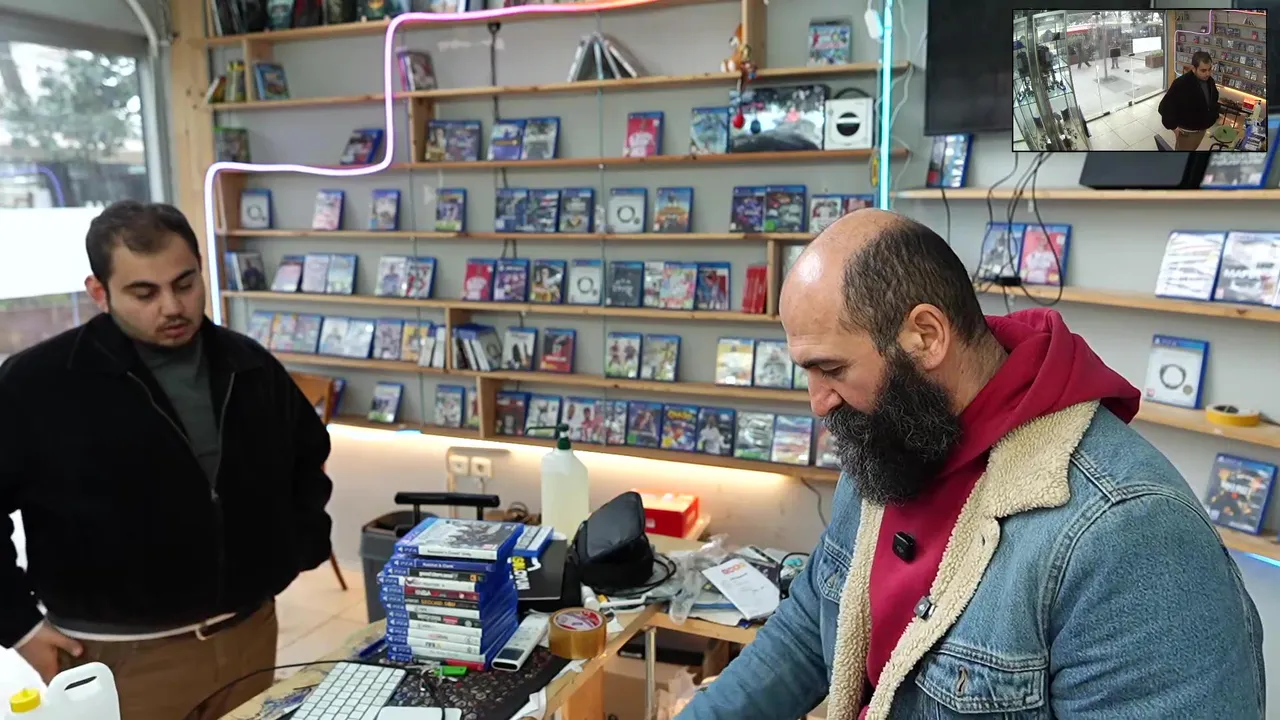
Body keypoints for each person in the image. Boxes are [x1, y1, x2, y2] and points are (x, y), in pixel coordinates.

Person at [676, 210, 1265, 719]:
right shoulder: (895, 435)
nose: (818, 402)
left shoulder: (1130, 534)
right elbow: (811, 626)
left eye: (831, 370)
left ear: (926, 336)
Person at [0, 201, 335, 719]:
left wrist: (294, 551)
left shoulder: (249, 364)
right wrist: (18, 625)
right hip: (115, 657)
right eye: (144, 293)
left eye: (185, 284)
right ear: (99, 292)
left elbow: (306, 461)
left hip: (249, 635)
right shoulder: (34, 384)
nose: (172, 307)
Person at [1159, 51, 1221, 151]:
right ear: (1193, 68)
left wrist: (1214, 114)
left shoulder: (1210, 81)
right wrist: (1173, 127)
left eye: (1209, 69)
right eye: (1203, 70)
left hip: (1202, 128)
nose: (1208, 73)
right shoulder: (1181, 84)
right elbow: (1164, 107)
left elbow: (1212, 100)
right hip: (1187, 132)